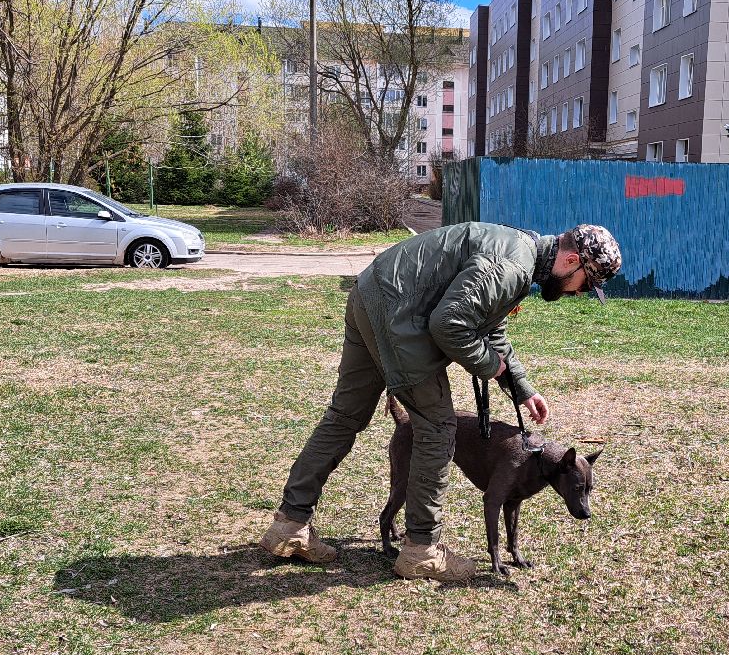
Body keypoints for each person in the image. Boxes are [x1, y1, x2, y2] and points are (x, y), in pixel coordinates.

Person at [260, 222, 622, 583]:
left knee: (343, 416)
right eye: (587, 284)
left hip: (370, 295)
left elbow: (489, 327)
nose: (580, 293)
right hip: (400, 315)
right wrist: (487, 365)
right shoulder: (514, 267)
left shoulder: (519, 250)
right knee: (437, 428)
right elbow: (449, 324)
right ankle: (422, 550)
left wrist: (521, 387)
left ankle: (290, 523)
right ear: (572, 260)